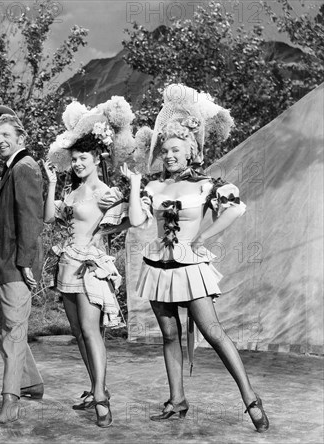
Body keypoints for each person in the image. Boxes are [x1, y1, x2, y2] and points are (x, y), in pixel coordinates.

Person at [122, 84, 269, 432]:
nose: (169, 155)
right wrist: (132, 185)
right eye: (165, 150)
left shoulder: (205, 184)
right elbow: (140, 220)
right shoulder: (153, 186)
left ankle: (250, 399)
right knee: (169, 336)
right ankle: (177, 400)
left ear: (190, 152)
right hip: (159, 266)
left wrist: (203, 236)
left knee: (214, 332)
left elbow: (235, 208)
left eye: (176, 149)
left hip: (191, 268)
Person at [43, 98, 132, 428]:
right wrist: (52, 183)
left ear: (98, 158)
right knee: (79, 332)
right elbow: (50, 218)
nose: (78, 163)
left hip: (91, 268)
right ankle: (98, 387)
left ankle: (99, 396)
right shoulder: (74, 190)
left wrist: (124, 203)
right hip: (67, 264)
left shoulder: (106, 192)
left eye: (84, 158)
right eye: (75, 158)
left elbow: (125, 222)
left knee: (92, 331)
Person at [0, 112, 44, 424]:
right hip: (2, 260)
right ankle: (30, 379)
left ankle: (11, 398)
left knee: (15, 330)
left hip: (16, 264)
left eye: (7, 135)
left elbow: (31, 219)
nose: (0, 140)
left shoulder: (25, 167)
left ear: (21, 139)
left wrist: (25, 263)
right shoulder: (11, 170)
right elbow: (9, 218)